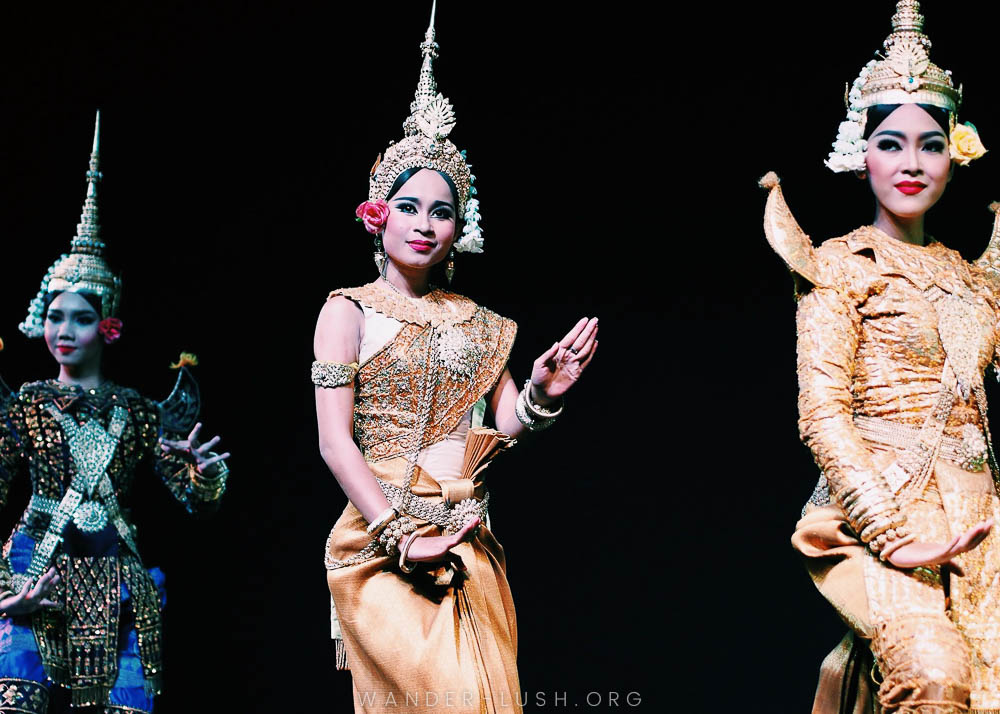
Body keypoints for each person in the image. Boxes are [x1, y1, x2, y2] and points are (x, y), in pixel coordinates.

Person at [314, 5, 598, 713]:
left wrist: (541, 392)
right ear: (380, 215)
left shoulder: (481, 323)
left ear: (456, 231)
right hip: (381, 540)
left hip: (469, 534)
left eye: (441, 212)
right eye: (409, 206)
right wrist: (399, 536)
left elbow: (503, 429)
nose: (425, 223)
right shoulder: (346, 310)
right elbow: (332, 441)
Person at [0, 113, 231, 713]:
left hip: (117, 586)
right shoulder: (25, 402)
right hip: (34, 571)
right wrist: (5, 593)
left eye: (80, 317)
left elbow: (193, 497)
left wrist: (203, 475)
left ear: (109, 326)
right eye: (55, 317)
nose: (64, 330)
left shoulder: (135, 411)